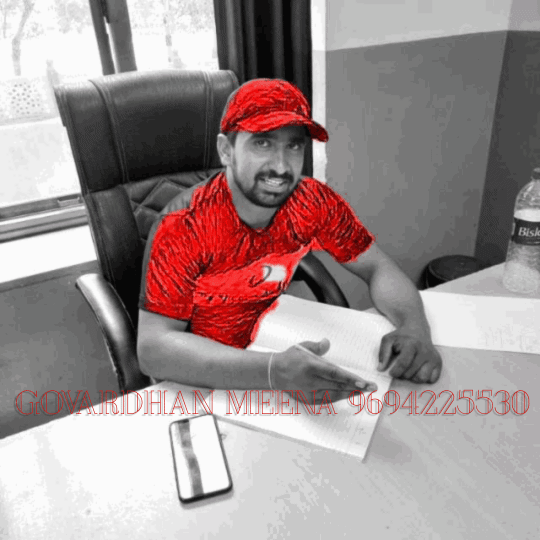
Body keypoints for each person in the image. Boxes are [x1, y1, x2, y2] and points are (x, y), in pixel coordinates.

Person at [137, 78, 442, 404]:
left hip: (271, 345)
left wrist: (414, 327)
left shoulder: (311, 202)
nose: (281, 167)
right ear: (226, 150)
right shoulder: (184, 225)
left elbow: (377, 266)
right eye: (262, 143)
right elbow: (153, 349)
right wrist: (272, 371)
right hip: (198, 377)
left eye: (294, 146)